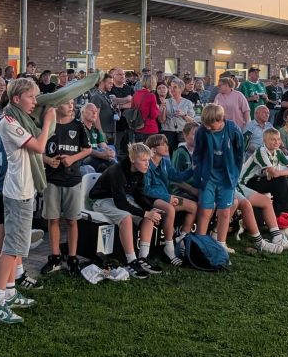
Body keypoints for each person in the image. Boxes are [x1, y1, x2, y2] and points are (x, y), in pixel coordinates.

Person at [0, 78, 55, 324]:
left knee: (17, 249)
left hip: (23, 190)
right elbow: (39, 146)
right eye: (31, 97)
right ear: (16, 99)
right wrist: (48, 121)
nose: (35, 101)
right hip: (17, 192)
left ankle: (10, 293)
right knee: (12, 249)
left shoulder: (18, 119)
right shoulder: (9, 121)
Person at [87, 143, 164, 280]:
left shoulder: (140, 172)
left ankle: (142, 258)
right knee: (126, 217)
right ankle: (131, 261)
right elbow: (121, 203)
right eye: (143, 160)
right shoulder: (117, 171)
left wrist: (149, 209)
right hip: (100, 200)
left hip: (119, 199)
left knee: (148, 217)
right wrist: (145, 212)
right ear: (132, 159)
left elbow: (139, 196)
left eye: (148, 160)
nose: (147, 164)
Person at [40, 99, 90, 276]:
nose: (71, 106)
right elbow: (38, 150)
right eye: (67, 103)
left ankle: (72, 258)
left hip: (72, 179)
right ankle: (55, 257)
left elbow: (87, 149)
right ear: (56, 105)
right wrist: (48, 160)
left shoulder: (78, 126)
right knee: (53, 219)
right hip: (52, 179)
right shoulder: (48, 125)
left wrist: (72, 158)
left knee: (72, 220)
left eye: (73, 103)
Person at [191, 103, 244, 253]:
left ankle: (221, 243)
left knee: (225, 211)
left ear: (221, 119)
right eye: (205, 124)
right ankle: (200, 243)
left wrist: (235, 173)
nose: (208, 127)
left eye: (211, 125)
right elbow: (197, 154)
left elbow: (240, 153)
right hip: (208, 176)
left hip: (226, 177)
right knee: (205, 210)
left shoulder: (233, 129)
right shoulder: (202, 131)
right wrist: (199, 174)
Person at [144, 134, 197, 265]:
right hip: (152, 200)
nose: (166, 146)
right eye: (163, 144)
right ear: (153, 148)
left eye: (166, 143)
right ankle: (169, 248)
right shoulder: (146, 164)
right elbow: (146, 190)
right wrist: (167, 197)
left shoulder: (165, 162)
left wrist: (193, 169)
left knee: (194, 206)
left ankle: (182, 239)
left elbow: (177, 176)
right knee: (170, 209)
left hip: (168, 198)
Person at [239, 127, 288, 218]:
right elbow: (274, 173)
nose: (276, 142)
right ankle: (275, 215)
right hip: (247, 183)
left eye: (278, 139)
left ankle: (283, 211)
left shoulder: (278, 151)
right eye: (273, 139)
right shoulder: (261, 151)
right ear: (264, 141)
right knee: (281, 180)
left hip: (261, 180)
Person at [161, 77, 197, 152]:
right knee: (169, 154)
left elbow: (192, 121)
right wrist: (163, 109)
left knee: (182, 153)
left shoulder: (187, 102)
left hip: (182, 132)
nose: (172, 89)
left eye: (175, 87)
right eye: (171, 87)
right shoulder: (165, 102)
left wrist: (184, 115)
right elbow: (161, 120)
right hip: (168, 132)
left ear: (181, 89)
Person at [80, 101, 116, 172]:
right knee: (101, 155)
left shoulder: (96, 130)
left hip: (96, 159)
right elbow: (84, 149)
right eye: (91, 111)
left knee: (110, 150)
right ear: (83, 112)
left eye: (96, 112)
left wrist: (110, 152)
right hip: (83, 160)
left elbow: (104, 146)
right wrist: (101, 154)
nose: (94, 113)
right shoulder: (78, 127)